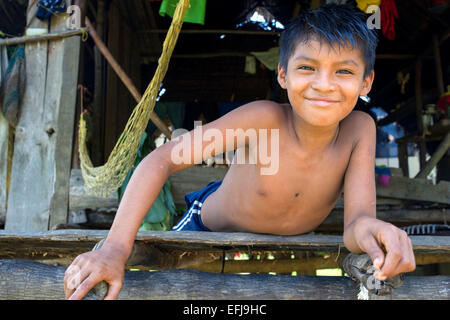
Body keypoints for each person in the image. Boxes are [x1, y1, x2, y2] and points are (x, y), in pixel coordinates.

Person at [64, 4, 416, 300]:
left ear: (366, 82)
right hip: (207, 226)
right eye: (307, 67)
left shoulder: (360, 129)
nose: (324, 84)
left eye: (344, 71)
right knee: (164, 283)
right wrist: (114, 249)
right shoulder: (263, 117)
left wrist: (373, 229)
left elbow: (356, 223)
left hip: (289, 244)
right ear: (282, 74)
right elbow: (162, 158)